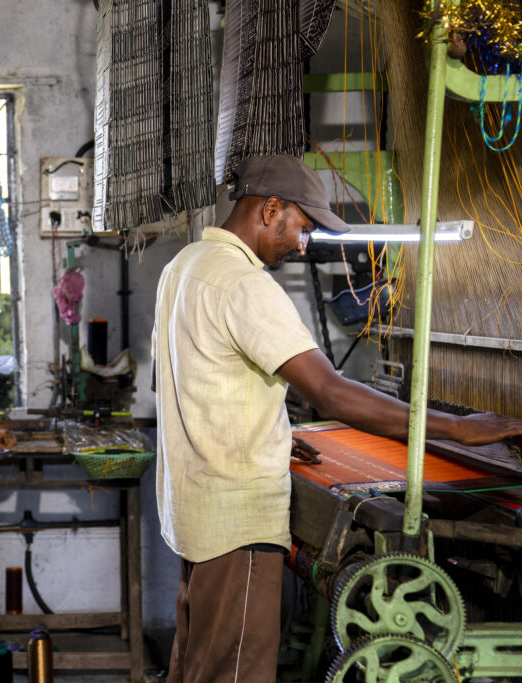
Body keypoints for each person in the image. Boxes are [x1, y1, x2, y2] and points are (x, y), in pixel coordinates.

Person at [151, 154, 522, 683]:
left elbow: (193, 381)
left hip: (195, 517)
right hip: (236, 522)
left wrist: (271, 437)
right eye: (302, 227)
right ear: (270, 209)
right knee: (235, 672)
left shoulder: (182, 267)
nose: (303, 244)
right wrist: (458, 427)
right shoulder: (245, 285)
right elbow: (331, 393)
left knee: (196, 667)